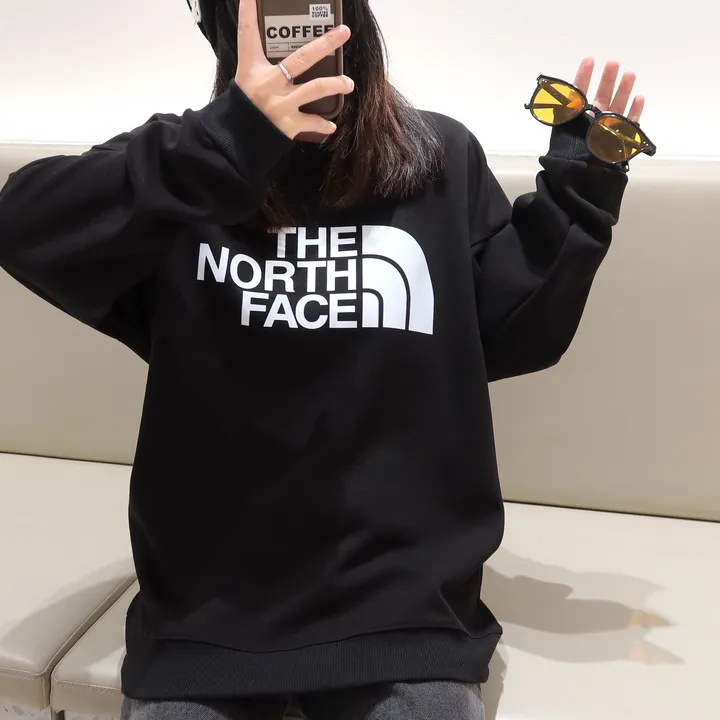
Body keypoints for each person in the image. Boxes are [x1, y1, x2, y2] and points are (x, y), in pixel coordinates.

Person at [0, 1, 647, 718]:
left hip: (403, 608)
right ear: (224, 29)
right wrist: (226, 141)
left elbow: (504, 332)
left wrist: (581, 190)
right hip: (207, 614)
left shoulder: (440, 158)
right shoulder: (183, 175)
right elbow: (23, 225)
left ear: (354, 20)